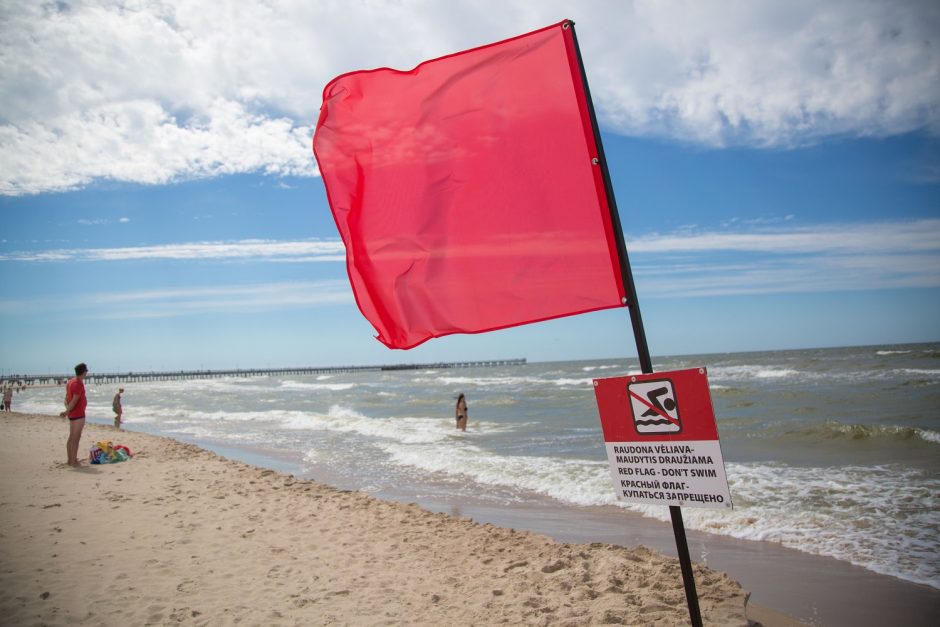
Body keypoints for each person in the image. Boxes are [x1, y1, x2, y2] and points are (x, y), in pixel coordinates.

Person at [60, 363, 89, 466]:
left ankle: (70, 460)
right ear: (83, 371)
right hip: (78, 414)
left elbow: (66, 398)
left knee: (72, 437)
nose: (87, 372)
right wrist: (67, 411)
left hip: (73, 414)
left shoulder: (71, 382)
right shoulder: (78, 383)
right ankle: (73, 461)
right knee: (75, 439)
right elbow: (74, 400)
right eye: (86, 370)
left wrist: (67, 410)